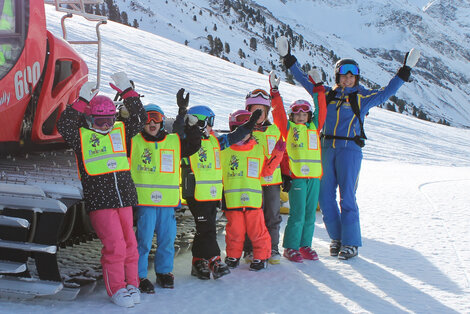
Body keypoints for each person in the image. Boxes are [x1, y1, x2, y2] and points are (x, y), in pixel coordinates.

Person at [276, 36, 420, 260]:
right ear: (338, 76)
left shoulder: (363, 97)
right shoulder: (329, 95)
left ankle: (351, 242)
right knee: (324, 198)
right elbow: (305, 81)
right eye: (344, 75)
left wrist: (404, 71)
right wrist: (288, 59)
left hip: (350, 150)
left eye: (352, 75)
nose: (348, 79)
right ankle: (337, 237)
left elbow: (386, 92)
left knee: (347, 197)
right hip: (325, 148)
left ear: (357, 77)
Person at [57, 73, 147, 308]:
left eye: (110, 120)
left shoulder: (120, 132)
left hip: (124, 197)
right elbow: (64, 124)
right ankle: (116, 288)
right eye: (100, 122)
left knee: (130, 244)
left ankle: (132, 284)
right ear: (89, 120)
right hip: (101, 202)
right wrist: (81, 100)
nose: (106, 126)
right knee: (115, 246)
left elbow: (139, 119)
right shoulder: (81, 138)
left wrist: (128, 92)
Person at [176, 103, 264, 280]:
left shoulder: (216, 141)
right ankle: (214, 260)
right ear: (199, 123)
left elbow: (236, 135)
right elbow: (178, 131)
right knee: (207, 228)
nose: (212, 127)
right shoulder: (185, 141)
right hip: (195, 193)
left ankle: (198, 261)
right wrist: (182, 113)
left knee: (204, 229)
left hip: (212, 193)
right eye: (209, 123)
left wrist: (250, 123)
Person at [130, 89, 202, 293]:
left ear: (162, 122)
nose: (152, 123)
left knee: (167, 240)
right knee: (142, 242)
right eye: (147, 119)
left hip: (167, 205)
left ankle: (164, 272)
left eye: (156, 119)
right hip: (145, 204)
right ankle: (139, 275)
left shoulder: (173, 142)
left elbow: (193, 143)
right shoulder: (134, 141)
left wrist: (187, 119)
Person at [269, 71, 326, 263]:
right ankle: (291, 247)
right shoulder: (289, 129)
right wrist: (275, 92)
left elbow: (322, 110)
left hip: (314, 178)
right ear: (292, 116)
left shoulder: (314, 127)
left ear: (309, 115)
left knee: (310, 215)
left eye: (304, 113)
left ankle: (305, 245)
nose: (301, 117)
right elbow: (277, 114)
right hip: (298, 178)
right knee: (298, 214)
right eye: (297, 114)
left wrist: (318, 87)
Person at [222, 109, 286, 271]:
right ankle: (233, 255)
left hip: (253, 201)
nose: (243, 135)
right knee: (234, 232)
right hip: (233, 202)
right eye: (238, 130)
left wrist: (278, 153)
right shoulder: (224, 151)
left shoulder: (257, 150)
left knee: (258, 231)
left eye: (246, 131)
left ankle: (261, 256)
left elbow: (267, 171)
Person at [243, 89, 283, 265]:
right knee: (251, 215)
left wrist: (288, 175)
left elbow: (283, 153)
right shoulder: (244, 131)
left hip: (272, 181)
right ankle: (250, 248)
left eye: (262, 110)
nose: (258, 114)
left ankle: (273, 247)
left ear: (267, 112)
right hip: (251, 182)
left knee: (272, 215)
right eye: (254, 110)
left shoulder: (275, 130)